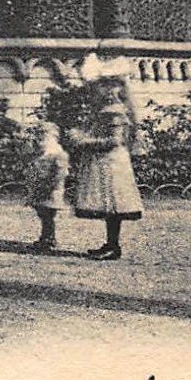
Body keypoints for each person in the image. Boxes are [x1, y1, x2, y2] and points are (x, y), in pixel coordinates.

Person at [72, 81, 144, 260]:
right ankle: (111, 244)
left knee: (113, 205)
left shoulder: (114, 113)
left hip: (112, 163)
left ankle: (113, 245)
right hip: (107, 162)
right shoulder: (108, 112)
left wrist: (84, 142)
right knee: (109, 205)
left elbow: (114, 141)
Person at [24, 122, 70, 252]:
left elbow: (60, 173)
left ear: (54, 137)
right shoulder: (43, 153)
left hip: (51, 190)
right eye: (40, 136)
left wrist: (51, 186)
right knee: (43, 214)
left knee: (48, 215)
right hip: (41, 188)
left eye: (45, 136)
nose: (41, 140)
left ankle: (49, 239)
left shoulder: (58, 153)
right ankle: (46, 237)